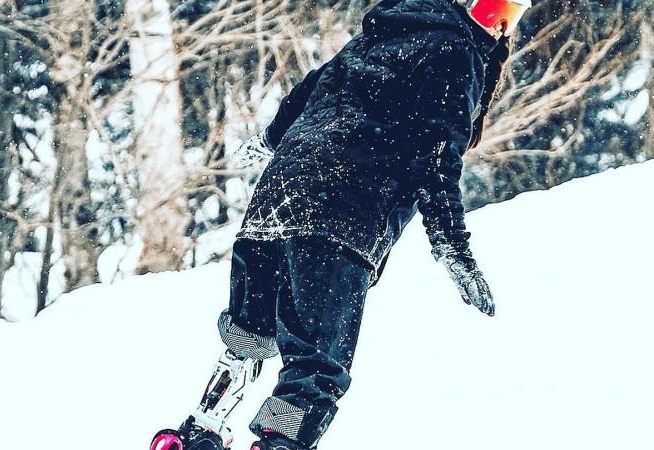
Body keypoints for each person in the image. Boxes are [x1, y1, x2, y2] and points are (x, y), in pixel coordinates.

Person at [150, 0, 531, 449]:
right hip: (341, 213)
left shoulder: (375, 38)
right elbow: (437, 163)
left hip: (275, 203)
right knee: (313, 369)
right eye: (494, 9)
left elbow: (309, 90)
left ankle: (200, 430)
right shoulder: (455, 51)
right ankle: (280, 442)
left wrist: (270, 139)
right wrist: (453, 248)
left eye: (511, 12)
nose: (501, 26)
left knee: (250, 335)